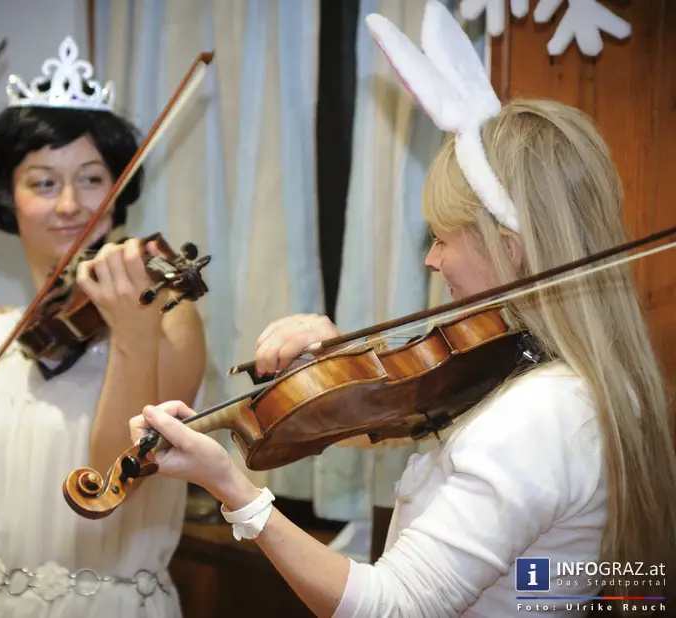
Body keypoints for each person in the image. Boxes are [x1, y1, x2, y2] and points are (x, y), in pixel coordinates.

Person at [129, 3, 676, 617]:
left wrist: (231, 487)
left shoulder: (543, 414)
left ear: (510, 250)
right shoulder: (560, 380)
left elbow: (391, 606)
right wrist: (341, 368)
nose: (432, 260)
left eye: (441, 238)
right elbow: (582, 584)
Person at [0, 34, 205, 618]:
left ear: (117, 192)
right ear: (9, 198)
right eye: (44, 182)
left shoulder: (166, 319)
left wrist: (132, 333)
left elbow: (112, 479)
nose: (70, 204)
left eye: (92, 178)